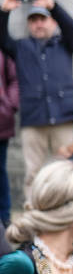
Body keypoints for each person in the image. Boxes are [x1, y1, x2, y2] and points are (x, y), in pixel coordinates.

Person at [0, 0, 73, 191]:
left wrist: (52, 6)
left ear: (52, 22)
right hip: (34, 120)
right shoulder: (21, 47)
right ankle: (33, 217)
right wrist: (4, 12)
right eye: (34, 20)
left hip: (63, 118)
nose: (39, 24)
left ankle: (64, 216)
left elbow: (72, 28)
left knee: (65, 169)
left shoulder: (64, 44)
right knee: (33, 173)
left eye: (43, 19)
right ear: (29, 24)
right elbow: (2, 39)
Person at [0, 53, 16, 226]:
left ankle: (4, 218)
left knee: (0, 172)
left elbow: (14, 80)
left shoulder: (4, 53)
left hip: (1, 121)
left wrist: (8, 105)